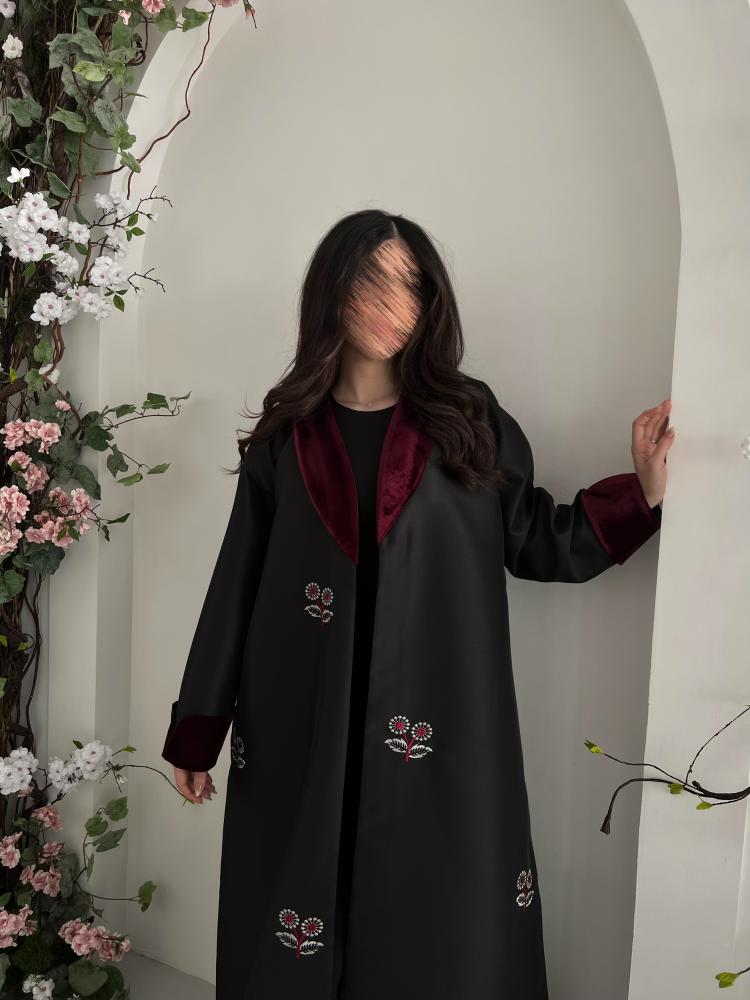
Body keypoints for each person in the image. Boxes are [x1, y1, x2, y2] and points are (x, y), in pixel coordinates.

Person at [161, 209, 672, 999]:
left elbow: (538, 539)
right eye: (371, 281)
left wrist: (640, 495)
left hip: (438, 717)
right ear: (332, 290)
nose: (391, 305)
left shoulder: (467, 419)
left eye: (411, 286)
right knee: (298, 896)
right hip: (303, 713)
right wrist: (199, 728)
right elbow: (239, 579)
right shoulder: (288, 432)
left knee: (442, 911)